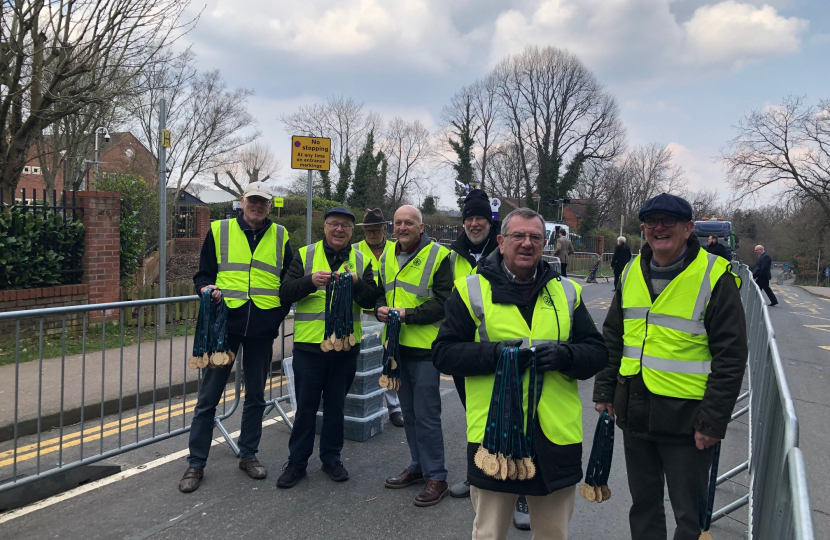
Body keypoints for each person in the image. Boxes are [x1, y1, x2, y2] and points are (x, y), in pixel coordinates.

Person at [434, 207, 608, 540]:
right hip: (495, 437)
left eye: (535, 237)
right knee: (489, 534)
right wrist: (495, 355)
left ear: (545, 243)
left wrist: (564, 355)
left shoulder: (566, 292)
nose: (526, 244)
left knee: (554, 534)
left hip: (555, 437)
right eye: (517, 236)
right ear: (501, 241)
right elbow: (443, 353)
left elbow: (597, 352)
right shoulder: (470, 290)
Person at [593, 193, 748, 540]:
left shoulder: (714, 275)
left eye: (669, 221)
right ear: (644, 228)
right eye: (651, 221)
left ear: (688, 228)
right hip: (636, 413)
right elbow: (613, 337)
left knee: (688, 518)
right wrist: (604, 390)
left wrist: (713, 421)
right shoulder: (632, 269)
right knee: (644, 508)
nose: (659, 228)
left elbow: (732, 355)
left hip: (689, 423)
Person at [181, 183, 292, 493]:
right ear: (242, 201)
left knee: (257, 396)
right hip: (223, 326)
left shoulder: (281, 236)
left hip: (261, 328)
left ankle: (248, 455)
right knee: (208, 398)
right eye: (253, 200)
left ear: (269, 206)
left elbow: (288, 282)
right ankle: (196, 463)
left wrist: (275, 315)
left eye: (263, 202)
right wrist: (205, 289)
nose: (257, 206)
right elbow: (203, 275)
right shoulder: (219, 230)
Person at [276, 207, 382, 488]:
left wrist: (358, 283)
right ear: (324, 228)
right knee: (306, 408)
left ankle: (332, 459)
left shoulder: (361, 260)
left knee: (336, 406)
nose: (339, 230)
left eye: (345, 226)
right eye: (334, 224)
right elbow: (285, 291)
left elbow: (373, 299)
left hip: (346, 348)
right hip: (309, 347)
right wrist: (309, 282)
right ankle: (297, 463)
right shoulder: (305, 255)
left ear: (351, 231)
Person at [377, 205, 453, 507]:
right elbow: (382, 290)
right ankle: (418, 465)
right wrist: (380, 306)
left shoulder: (438, 256)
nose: (403, 227)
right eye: (398, 223)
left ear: (421, 228)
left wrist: (407, 315)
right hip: (396, 348)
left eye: (409, 223)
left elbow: (446, 302)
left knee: (427, 415)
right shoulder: (387, 255)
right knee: (408, 412)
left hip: (425, 348)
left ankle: (438, 476)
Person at [444, 189, 503, 501]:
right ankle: (477, 476)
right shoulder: (452, 255)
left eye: (480, 217)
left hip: (502, 352)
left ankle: (520, 489)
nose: (475, 223)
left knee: (511, 416)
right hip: (467, 353)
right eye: (470, 218)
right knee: (476, 417)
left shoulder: (507, 249)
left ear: (490, 223)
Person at [353, 208, 403, 428]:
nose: (372, 234)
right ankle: (360, 404)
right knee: (364, 363)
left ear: (384, 228)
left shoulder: (395, 249)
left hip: (387, 316)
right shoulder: (355, 250)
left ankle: (395, 408)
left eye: (376, 229)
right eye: (368, 230)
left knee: (390, 360)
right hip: (361, 316)